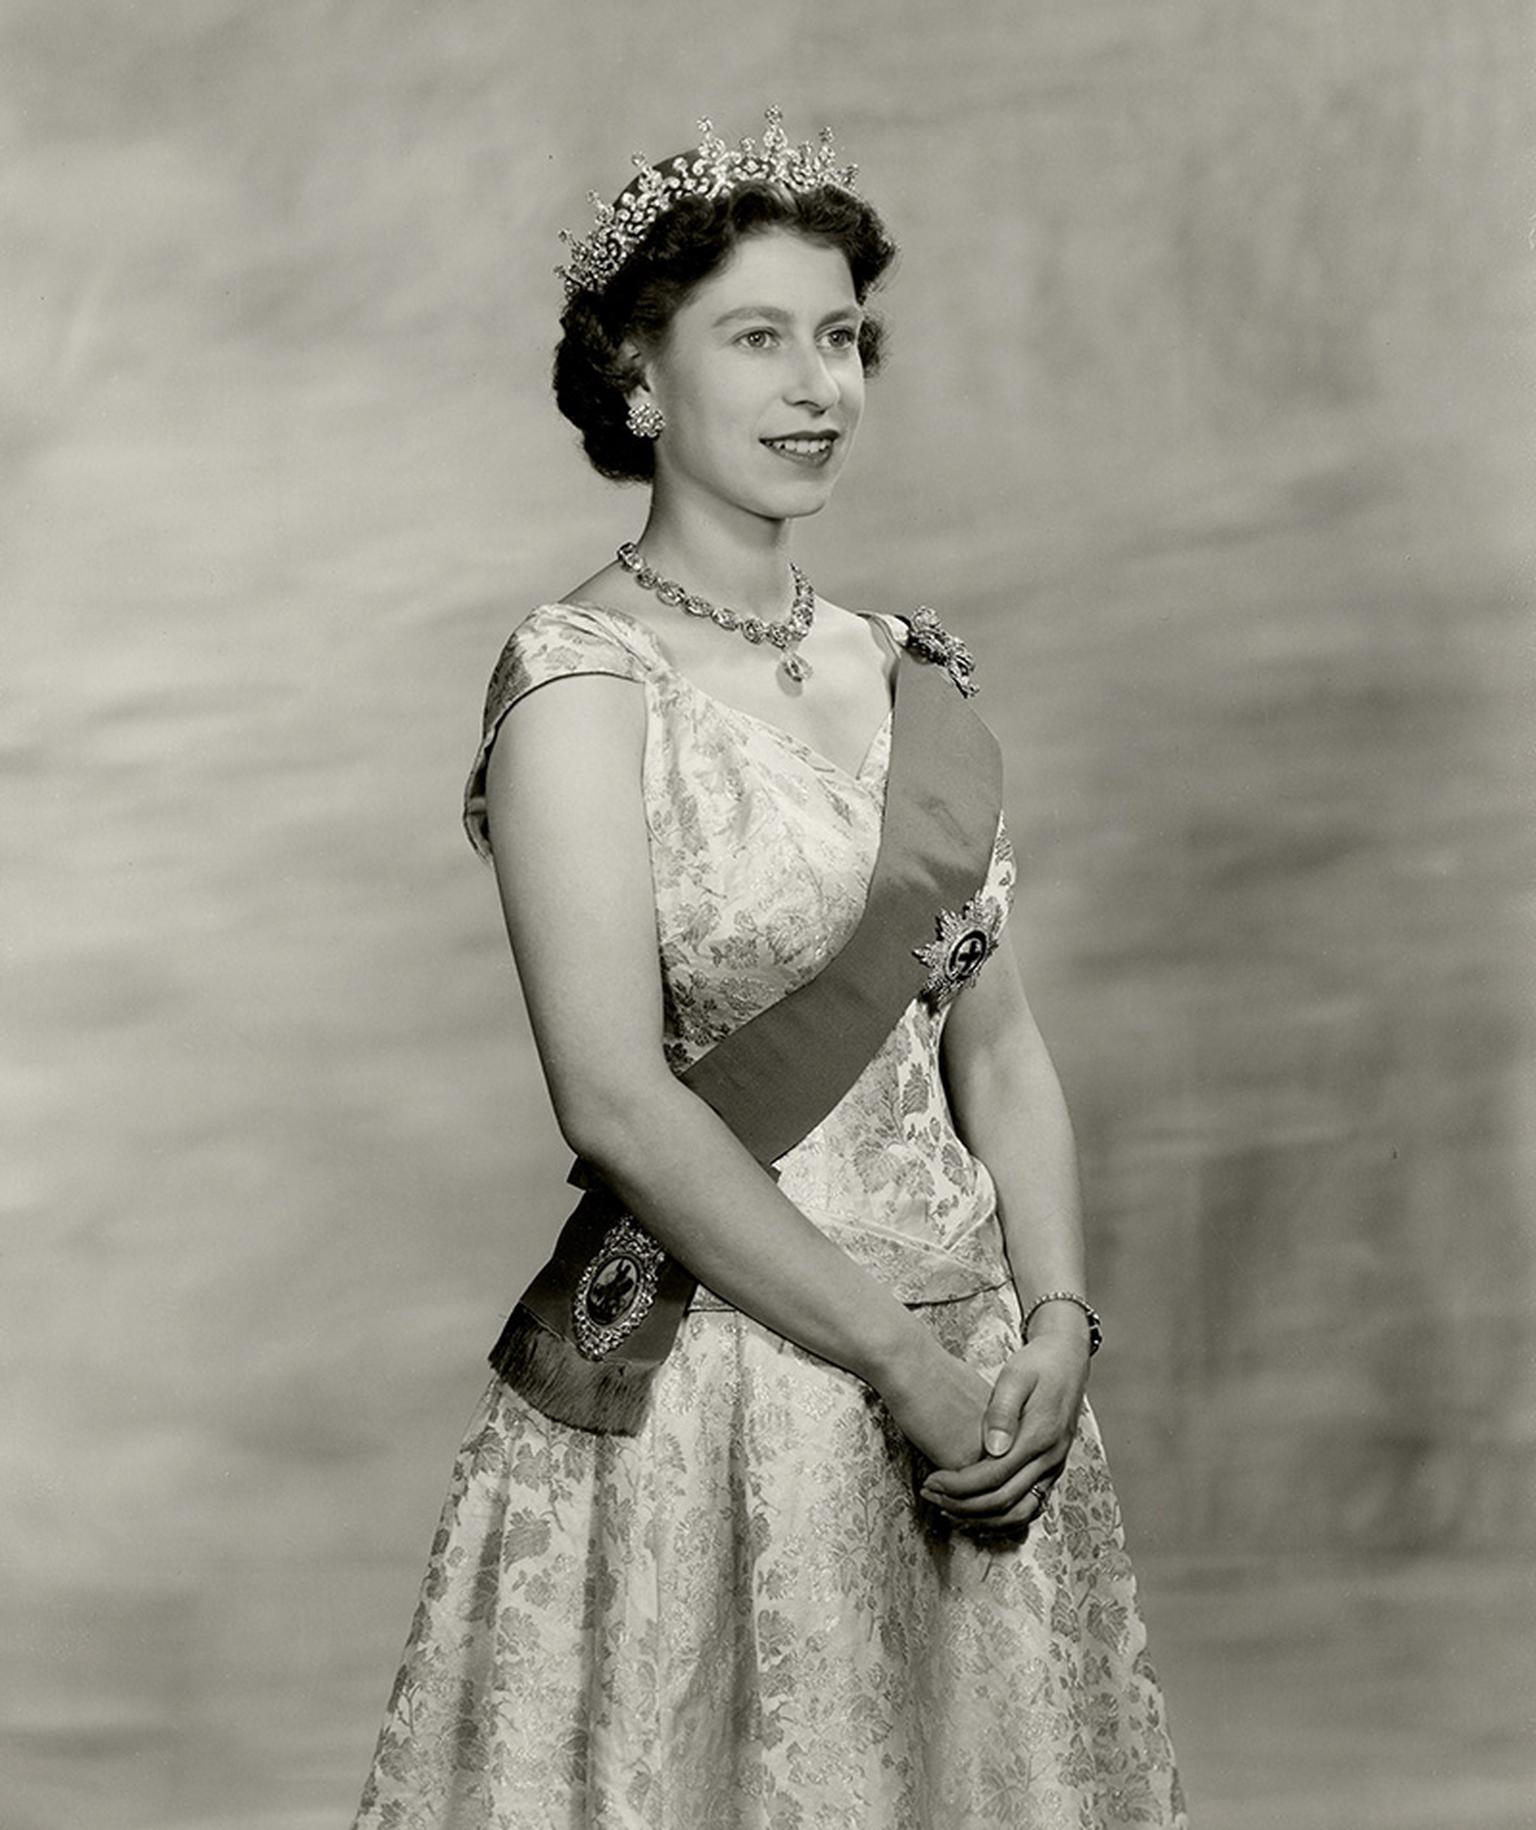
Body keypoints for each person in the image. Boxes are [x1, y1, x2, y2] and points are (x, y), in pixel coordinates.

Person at [353, 108, 1187, 1829]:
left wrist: (1058, 1319)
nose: (820, 384)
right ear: (639, 379)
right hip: (726, 1400)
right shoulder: (582, 682)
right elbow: (614, 1100)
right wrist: (903, 1364)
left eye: (844, 337)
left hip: (981, 1390)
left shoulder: (914, 670)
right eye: (758, 338)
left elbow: (1000, 1048)